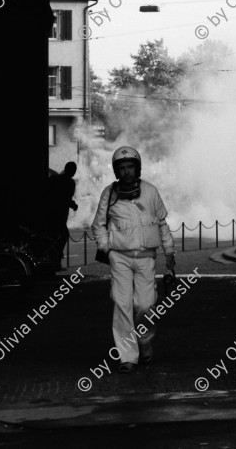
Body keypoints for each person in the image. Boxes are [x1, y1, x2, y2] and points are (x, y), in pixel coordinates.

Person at [91, 146, 176, 373]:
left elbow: (161, 224)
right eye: (122, 168)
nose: (127, 172)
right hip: (119, 258)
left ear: (137, 168)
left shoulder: (150, 192)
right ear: (116, 171)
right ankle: (127, 356)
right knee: (122, 304)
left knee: (145, 305)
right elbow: (98, 225)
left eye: (130, 167)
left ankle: (144, 341)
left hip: (146, 258)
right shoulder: (108, 194)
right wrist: (106, 249)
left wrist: (169, 253)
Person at [45, 161, 78, 270]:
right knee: (63, 235)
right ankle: (56, 259)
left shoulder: (53, 179)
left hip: (48, 212)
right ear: (73, 171)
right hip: (59, 215)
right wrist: (73, 205)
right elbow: (66, 198)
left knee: (51, 236)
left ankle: (52, 259)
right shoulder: (70, 182)